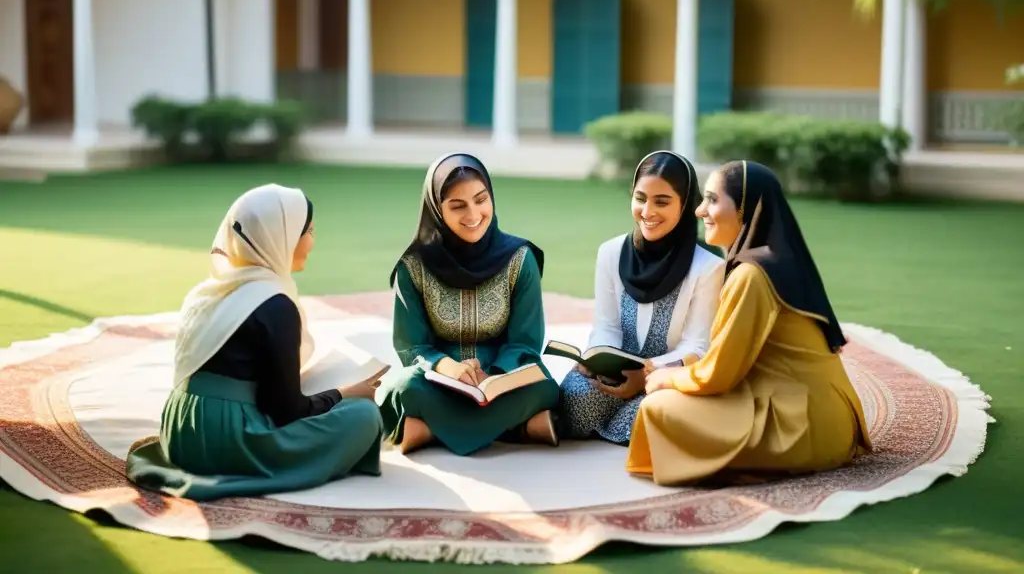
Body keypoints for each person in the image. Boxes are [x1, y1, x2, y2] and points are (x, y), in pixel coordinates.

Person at [125, 184, 384, 501]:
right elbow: (285, 410)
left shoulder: (208, 292)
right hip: (227, 439)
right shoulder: (275, 304)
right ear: (282, 237)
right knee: (364, 417)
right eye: (309, 232)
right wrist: (345, 393)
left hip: (181, 432)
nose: (313, 243)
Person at [626, 160, 871, 485]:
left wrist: (668, 377)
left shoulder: (751, 275)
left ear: (747, 208)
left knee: (657, 408)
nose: (700, 211)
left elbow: (718, 375)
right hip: (829, 416)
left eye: (713, 199)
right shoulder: (774, 259)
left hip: (803, 425)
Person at [378, 153, 561, 455]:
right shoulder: (413, 266)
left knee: (545, 387)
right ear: (437, 210)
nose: (473, 214)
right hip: (439, 381)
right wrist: (445, 366)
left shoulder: (520, 258)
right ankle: (518, 427)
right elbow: (410, 346)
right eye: (457, 205)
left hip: (502, 381)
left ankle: (428, 429)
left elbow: (525, 343)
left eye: (480, 199)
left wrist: (494, 375)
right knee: (402, 388)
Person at [558, 151, 723, 444]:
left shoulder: (708, 267)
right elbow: (606, 326)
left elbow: (697, 346)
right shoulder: (610, 253)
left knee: (653, 414)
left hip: (665, 380)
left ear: (685, 204)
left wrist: (647, 375)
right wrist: (597, 361)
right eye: (640, 198)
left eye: (662, 201)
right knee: (573, 403)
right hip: (612, 378)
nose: (647, 211)